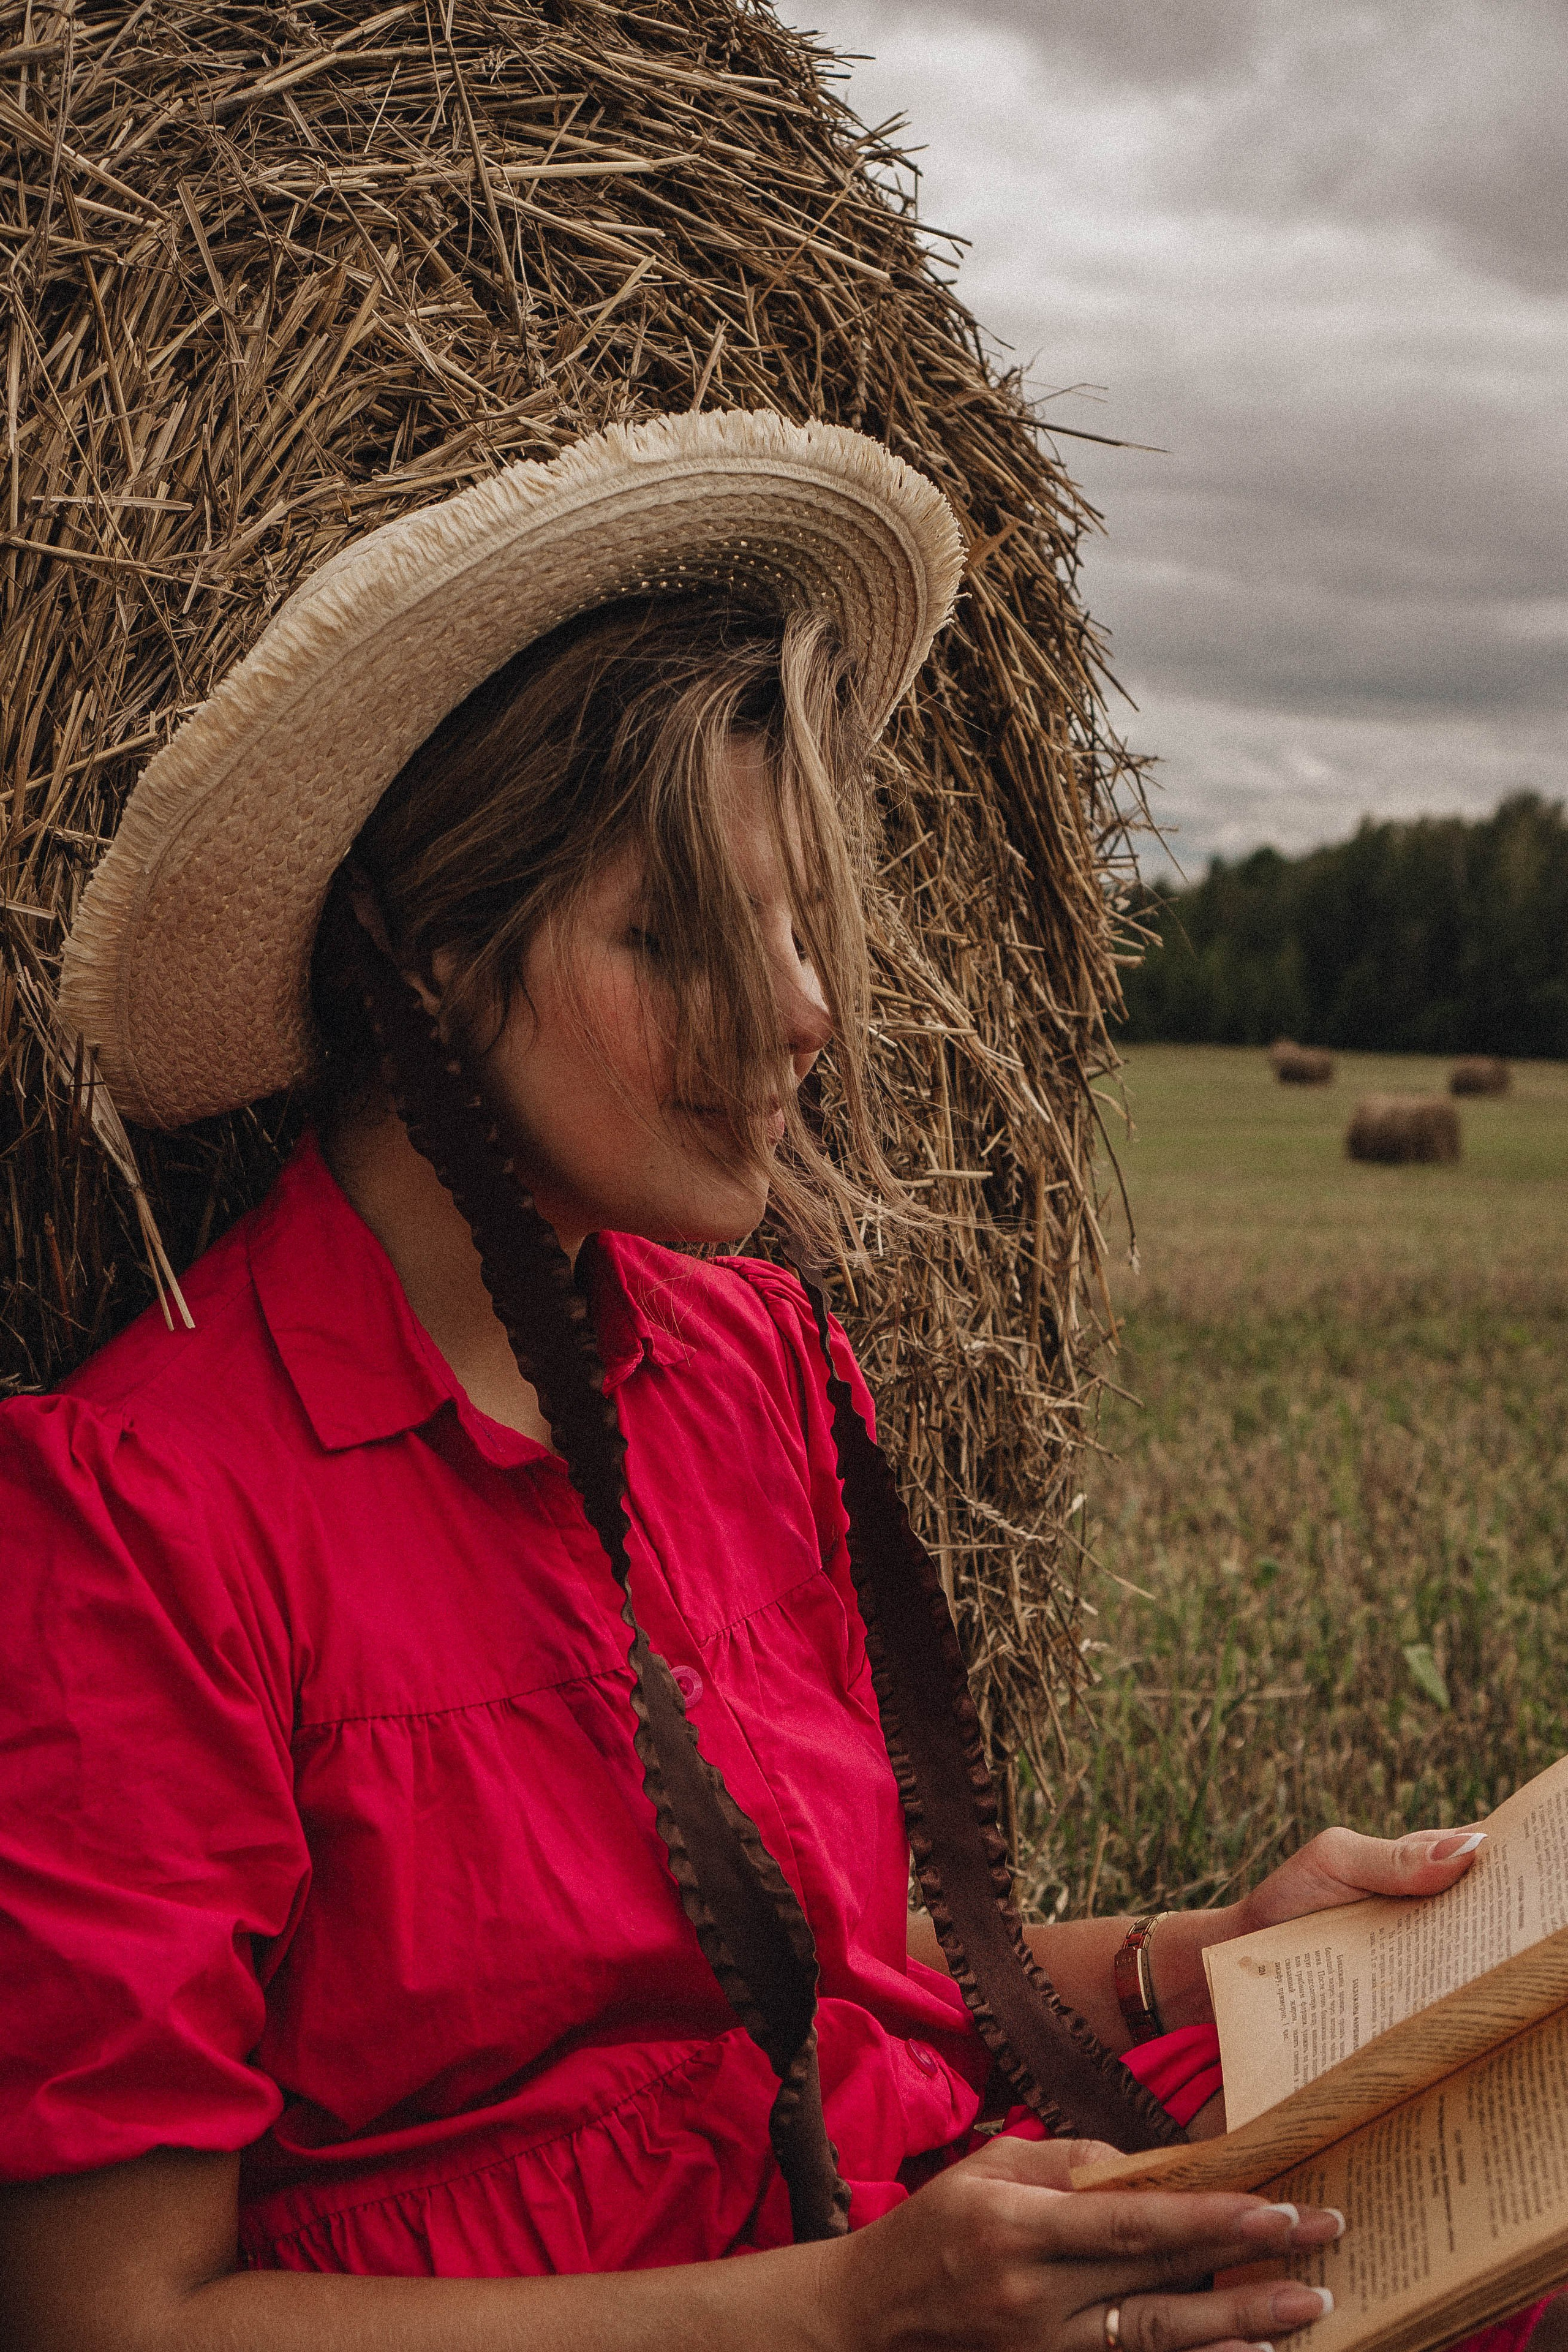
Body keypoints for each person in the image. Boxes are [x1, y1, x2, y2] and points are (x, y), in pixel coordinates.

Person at [0, 412, 1518, 2351]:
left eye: (805, 923)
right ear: (433, 955)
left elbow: (816, 1978)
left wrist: (1200, 1958)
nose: (804, 1009)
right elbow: (110, 2320)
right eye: (683, 936)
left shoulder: (756, 1366)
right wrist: (844, 2312)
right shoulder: (141, 1517)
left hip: (921, 2214)